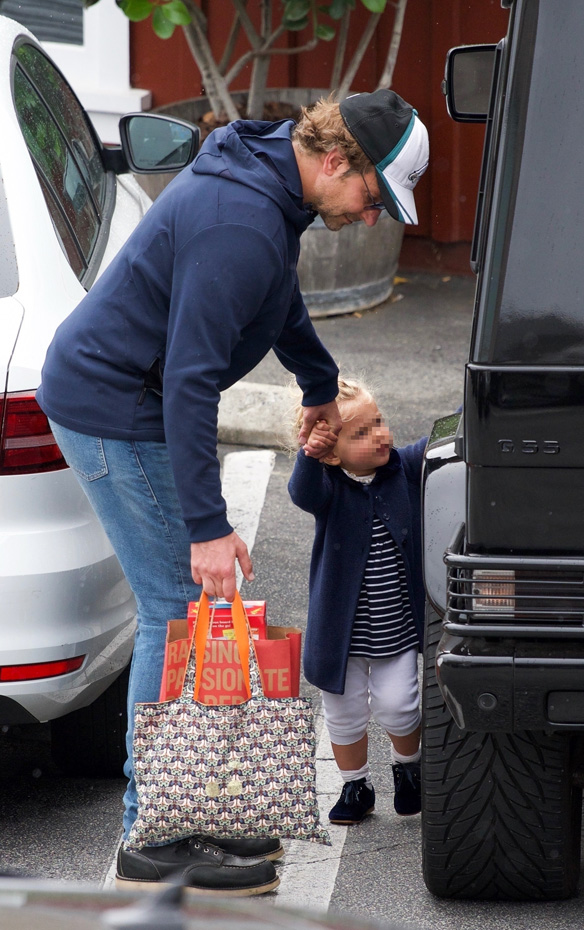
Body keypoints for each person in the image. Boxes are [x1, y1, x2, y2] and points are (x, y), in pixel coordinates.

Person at [36, 89, 429, 892]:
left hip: (131, 397)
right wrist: (210, 528)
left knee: (184, 606)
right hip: (116, 405)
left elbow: (275, 299)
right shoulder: (241, 225)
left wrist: (319, 380)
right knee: (176, 607)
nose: (371, 216)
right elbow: (189, 381)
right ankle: (155, 833)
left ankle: (181, 819)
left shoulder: (268, 188)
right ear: (333, 161)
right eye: (372, 195)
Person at [288, 378, 428, 824]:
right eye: (361, 433)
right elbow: (301, 492)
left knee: (400, 705)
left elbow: (445, 441)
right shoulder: (327, 486)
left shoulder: (402, 468)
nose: (381, 436)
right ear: (332, 452)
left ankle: (410, 770)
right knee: (344, 714)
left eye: (380, 422)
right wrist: (309, 454)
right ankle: (356, 786)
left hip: (396, 628)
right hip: (341, 635)